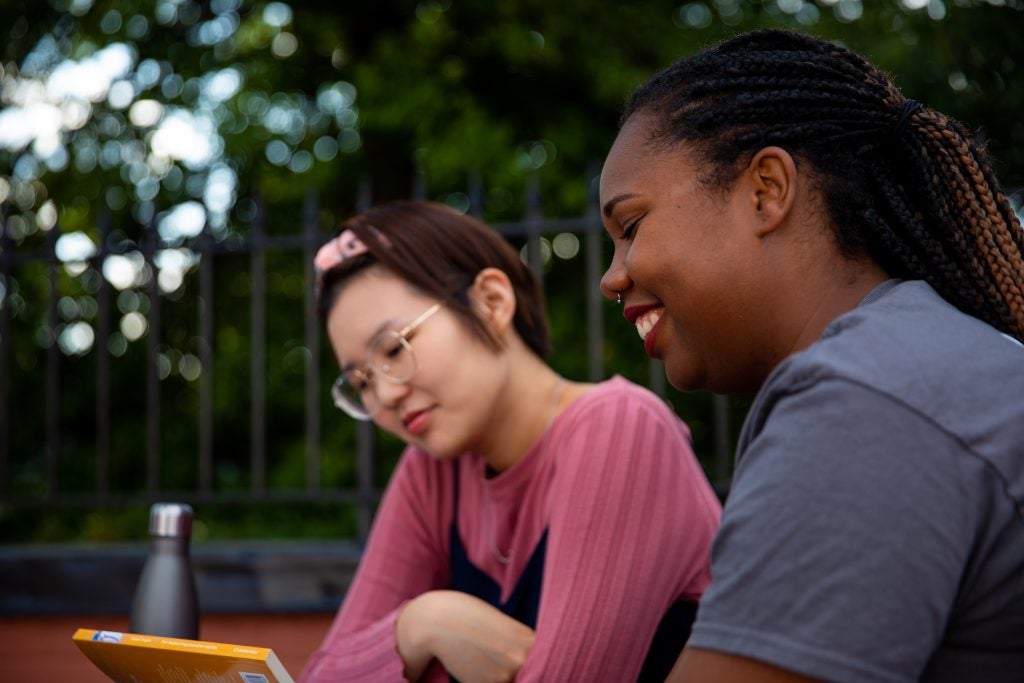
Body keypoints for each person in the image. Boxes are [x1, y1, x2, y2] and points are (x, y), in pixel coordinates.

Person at [598, 28, 1024, 683]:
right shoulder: (926, 361)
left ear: (766, 189)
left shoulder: (867, 402)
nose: (612, 276)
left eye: (630, 227)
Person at [300, 200, 721, 682]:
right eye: (361, 384)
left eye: (395, 347)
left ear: (492, 302)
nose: (387, 394)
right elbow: (323, 673)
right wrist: (423, 624)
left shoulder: (621, 429)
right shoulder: (434, 473)